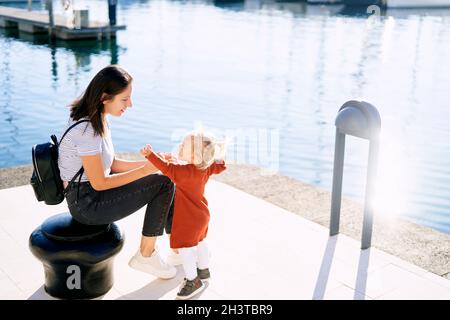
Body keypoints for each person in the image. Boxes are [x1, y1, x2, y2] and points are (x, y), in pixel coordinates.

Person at [58, 65, 176, 280]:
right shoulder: (87, 130)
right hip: (86, 205)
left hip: (88, 195)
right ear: (105, 97)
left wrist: (154, 164)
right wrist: (145, 170)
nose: (130, 104)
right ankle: (146, 255)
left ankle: (178, 246)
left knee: (165, 177)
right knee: (164, 184)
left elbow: (111, 164)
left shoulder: (97, 117)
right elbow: (100, 183)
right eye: (124, 99)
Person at [140, 131, 226, 299]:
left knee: (185, 249)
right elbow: (220, 166)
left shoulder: (183, 172)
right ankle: (204, 270)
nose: (180, 146)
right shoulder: (205, 167)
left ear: (194, 156)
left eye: (184, 145)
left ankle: (193, 281)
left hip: (189, 219)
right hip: (202, 215)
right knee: (200, 242)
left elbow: (166, 168)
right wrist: (220, 158)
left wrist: (150, 155)